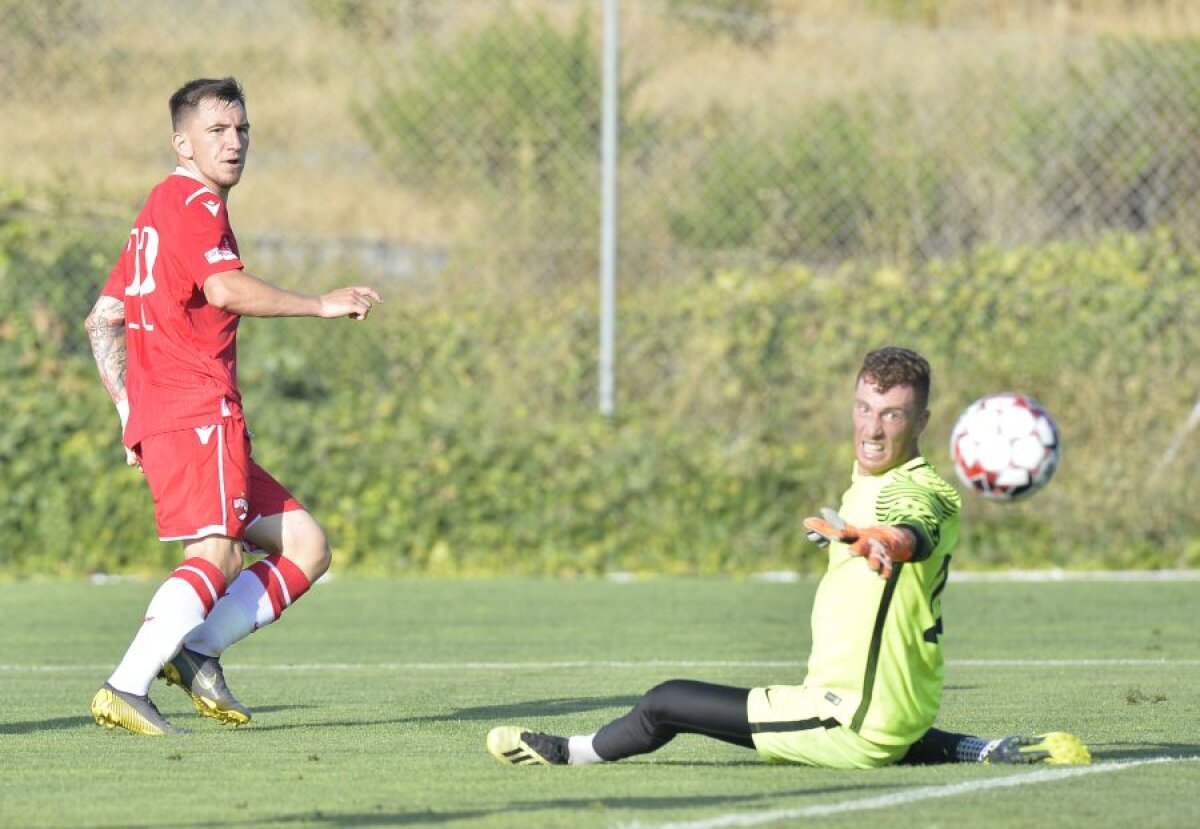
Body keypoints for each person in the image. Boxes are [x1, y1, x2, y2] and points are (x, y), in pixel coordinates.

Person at [486, 346, 1090, 768]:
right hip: (895, 709)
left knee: (665, 703)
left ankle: (572, 754)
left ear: (922, 421)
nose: (872, 428)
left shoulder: (917, 490)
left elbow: (913, 528)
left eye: (892, 414)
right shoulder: (872, 482)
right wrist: (854, 535)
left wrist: (884, 541)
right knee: (865, 724)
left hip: (847, 719)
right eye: (864, 408)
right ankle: (975, 747)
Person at [84, 77, 382, 736]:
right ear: (181, 143)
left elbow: (101, 319)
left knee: (306, 546)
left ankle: (195, 650)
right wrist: (319, 303)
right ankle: (125, 685)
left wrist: (130, 414)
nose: (234, 142)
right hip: (197, 410)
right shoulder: (194, 203)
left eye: (241, 129)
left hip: (176, 414)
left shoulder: (156, 210)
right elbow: (223, 288)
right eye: (216, 130)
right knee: (218, 555)